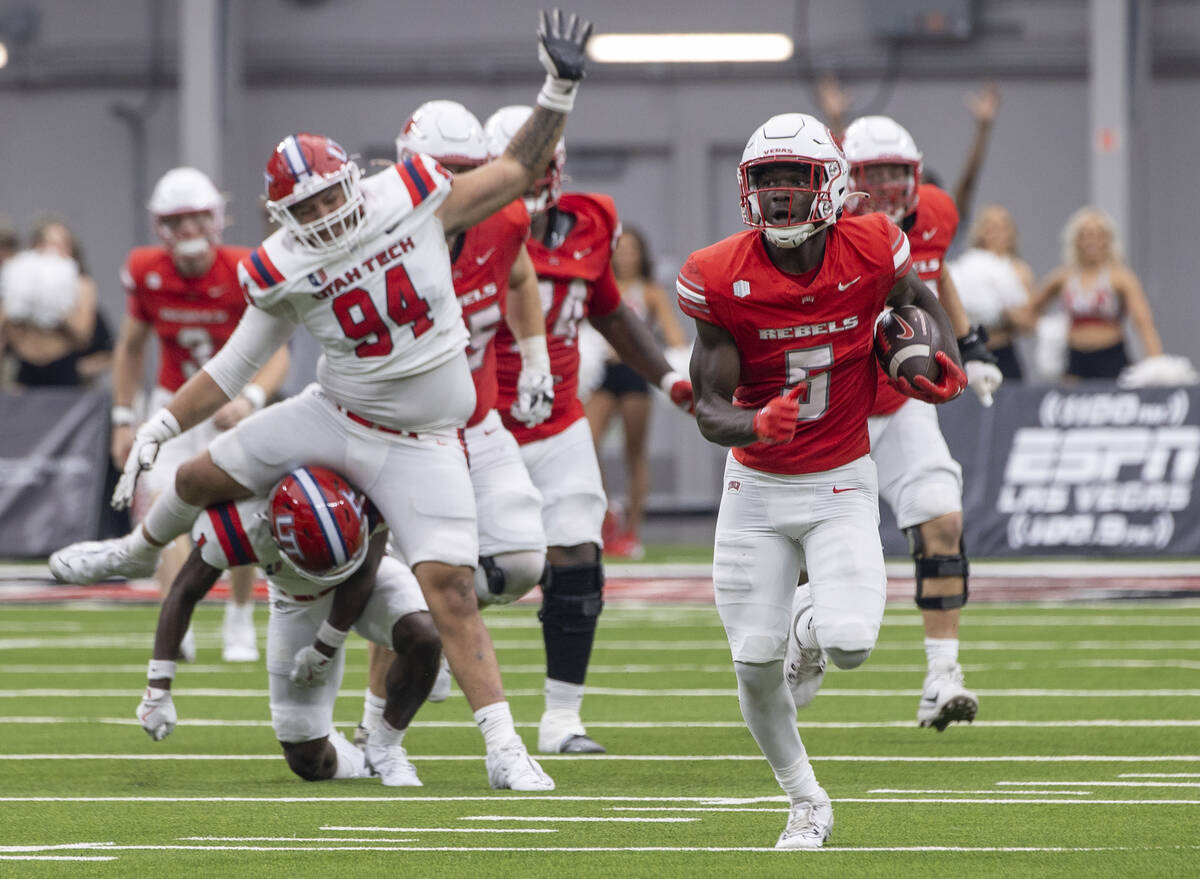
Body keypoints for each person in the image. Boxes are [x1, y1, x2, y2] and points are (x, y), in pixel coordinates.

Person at [51, 8, 594, 792]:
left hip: (425, 438)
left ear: (353, 179)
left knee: (450, 591)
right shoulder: (280, 265)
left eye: (329, 196)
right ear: (280, 216)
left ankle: (505, 745)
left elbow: (514, 172)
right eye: (302, 209)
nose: (322, 215)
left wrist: (558, 88)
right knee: (199, 475)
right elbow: (237, 364)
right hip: (336, 413)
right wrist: (159, 422)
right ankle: (133, 553)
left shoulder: (409, 196)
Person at [680, 112, 965, 849]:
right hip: (755, 489)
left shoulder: (870, 247)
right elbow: (708, 406)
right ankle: (805, 799)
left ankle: (806, 623)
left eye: (794, 179)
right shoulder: (719, 273)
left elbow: (918, 297)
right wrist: (753, 425)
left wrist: (942, 357)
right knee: (750, 662)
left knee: (848, 642)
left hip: (840, 478)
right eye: (765, 180)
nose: (778, 194)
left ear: (830, 186)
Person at [485, 104, 694, 755]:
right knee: (444, 565)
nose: (541, 171)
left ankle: (560, 718)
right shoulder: (464, 230)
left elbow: (608, 310)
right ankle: (385, 718)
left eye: (547, 156)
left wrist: (669, 379)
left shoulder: (590, 221)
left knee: (578, 553)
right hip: (474, 422)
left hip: (558, 422)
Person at [353, 98, 553, 746]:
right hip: (406, 432)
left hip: (478, 419)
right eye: (440, 170)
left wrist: (533, 358)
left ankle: (438, 621)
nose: (450, 187)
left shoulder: (502, 220)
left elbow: (519, 276)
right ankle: (374, 729)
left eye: (465, 170)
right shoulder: (375, 239)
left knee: (522, 559)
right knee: (421, 579)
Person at [842, 115, 1002, 731]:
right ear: (847, 179)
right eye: (871, 173)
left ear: (915, 175)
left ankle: (942, 675)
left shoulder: (932, 213)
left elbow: (935, 272)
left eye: (895, 172)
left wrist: (972, 343)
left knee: (943, 519)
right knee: (814, 552)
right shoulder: (827, 234)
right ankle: (798, 651)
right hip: (838, 410)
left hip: (901, 402)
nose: (884, 185)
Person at [137, 466, 441, 786]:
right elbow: (183, 592)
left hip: (364, 574)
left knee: (424, 635)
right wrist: (158, 687)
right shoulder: (239, 524)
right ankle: (357, 761)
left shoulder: (365, 484)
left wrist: (324, 646)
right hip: (295, 598)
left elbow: (365, 573)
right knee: (307, 760)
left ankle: (385, 746)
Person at [112, 167, 292, 663]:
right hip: (174, 400)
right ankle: (178, 615)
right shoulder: (146, 269)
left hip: (230, 405)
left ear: (216, 219)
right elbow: (130, 347)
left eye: (197, 219)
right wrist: (123, 416)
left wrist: (251, 398)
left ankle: (238, 615)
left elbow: (279, 349)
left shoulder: (244, 268)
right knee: (161, 504)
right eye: (178, 221)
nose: (189, 231)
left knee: (238, 509)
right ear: (160, 226)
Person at [585, 226, 689, 560]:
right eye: (620, 248)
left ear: (641, 255)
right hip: (601, 373)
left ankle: (632, 532)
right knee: (586, 443)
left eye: (632, 249)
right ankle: (607, 512)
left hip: (634, 373)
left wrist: (675, 364)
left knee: (634, 453)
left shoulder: (651, 292)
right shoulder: (598, 287)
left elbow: (674, 338)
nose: (625, 255)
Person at [1030, 206, 1163, 380]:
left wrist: (1157, 365)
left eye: (1099, 235)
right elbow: (1030, 311)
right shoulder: (1062, 277)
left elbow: (1143, 322)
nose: (1092, 241)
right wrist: (1048, 332)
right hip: (1075, 359)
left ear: (1109, 240)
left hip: (1111, 358)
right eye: (1085, 235)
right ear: (1076, 240)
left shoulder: (1121, 277)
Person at [0, 219, 99, 389]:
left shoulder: (82, 285)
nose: (55, 251)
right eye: (49, 244)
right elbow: (5, 326)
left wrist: (58, 313)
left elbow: (83, 336)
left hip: (62, 365)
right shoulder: (16, 279)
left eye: (63, 245)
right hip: (23, 365)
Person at [949, 204, 1036, 379]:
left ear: (1012, 233)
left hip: (1002, 352)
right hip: (966, 351)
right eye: (988, 226)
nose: (994, 232)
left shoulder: (1019, 270)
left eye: (1001, 227)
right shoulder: (965, 266)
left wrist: (1001, 310)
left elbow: (1029, 324)